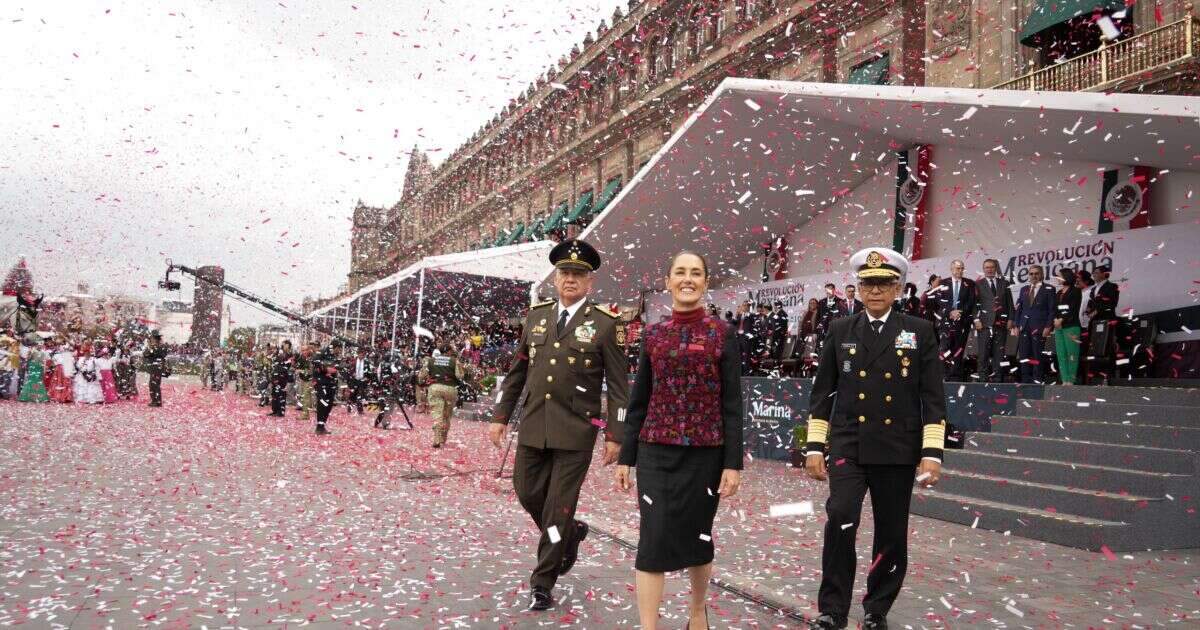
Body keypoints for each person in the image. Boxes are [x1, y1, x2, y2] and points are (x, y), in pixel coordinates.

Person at [803, 247, 947, 630]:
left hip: (898, 448)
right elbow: (823, 393)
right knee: (840, 516)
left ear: (898, 287)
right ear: (859, 288)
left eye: (884, 284)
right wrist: (816, 444)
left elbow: (933, 397)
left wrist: (932, 452)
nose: (876, 291)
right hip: (850, 443)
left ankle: (876, 609)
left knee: (891, 531)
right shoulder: (840, 330)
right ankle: (833, 609)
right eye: (869, 284)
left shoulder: (919, 331)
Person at [488, 239, 630, 611]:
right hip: (534, 425)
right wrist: (501, 415)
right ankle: (569, 537)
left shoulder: (605, 324)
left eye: (578, 275)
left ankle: (543, 580)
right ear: (555, 277)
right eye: (565, 273)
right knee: (526, 491)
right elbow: (518, 370)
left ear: (590, 282)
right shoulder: (537, 316)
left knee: (557, 510)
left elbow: (618, 387)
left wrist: (616, 436)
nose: (570, 279)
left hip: (576, 432)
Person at [615, 251, 743, 630]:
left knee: (698, 540)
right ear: (668, 281)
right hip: (656, 452)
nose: (688, 279)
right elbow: (639, 400)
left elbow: (733, 403)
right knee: (652, 539)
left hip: (707, 454)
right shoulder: (652, 335)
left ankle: (696, 614)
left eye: (696, 273)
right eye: (680, 273)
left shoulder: (724, 334)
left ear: (705, 282)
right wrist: (626, 458)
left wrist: (733, 463)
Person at [1010, 265, 1056, 384]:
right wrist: (1015, 325)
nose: (1034, 276)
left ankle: (1037, 380)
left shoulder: (1049, 289)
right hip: (1024, 327)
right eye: (1031, 274)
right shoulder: (1023, 289)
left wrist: (1048, 326)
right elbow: (1019, 309)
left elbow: (1052, 310)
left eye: (1036, 273)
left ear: (1042, 275)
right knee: (1024, 355)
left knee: (1037, 355)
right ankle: (1025, 380)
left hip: (1040, 328)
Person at [973, 258, 1014, 383]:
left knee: (999, 354)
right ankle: (983, 380)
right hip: (984, 324)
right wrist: (976, 320)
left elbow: (1010, 304)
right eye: (987, 267)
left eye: (992, 267)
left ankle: (998, 379)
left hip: (1001, 324)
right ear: (983, 269)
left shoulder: (1005, 283)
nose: (989, 269)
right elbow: (974, 305)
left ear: (995, 268)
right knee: (983, 354)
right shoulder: (978, 284)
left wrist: (1011, 319)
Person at [936, 260, 977, 381]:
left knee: (959, 349)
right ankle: (944, 375)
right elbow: (939, 300)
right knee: (944, 348)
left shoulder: (970, 283)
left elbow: (971, 301)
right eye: (957, 268)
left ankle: (955, 377)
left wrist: (959, 312)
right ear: (951, 268)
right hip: (946, 323)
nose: (960, 271)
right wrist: (950, 312)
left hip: (962, 322)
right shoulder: (943, 283)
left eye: (962, 268)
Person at [420, 344, 466, 448]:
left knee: (437, 413)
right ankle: (443, 438)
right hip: (450, 389)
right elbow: (460, 376)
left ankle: (437, 438)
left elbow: (421, 375)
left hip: (435, 388)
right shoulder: (454, 361)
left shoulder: (431, 360)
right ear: (449, 351)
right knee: (447, 415)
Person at [1084, 264, 1120, 384]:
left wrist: (1096, 311)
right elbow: (1091, 303)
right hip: (1094, 323)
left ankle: (1108, 377)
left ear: (1104, 274)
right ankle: (1094, 376)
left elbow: (1112, 304)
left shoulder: (1112, 286)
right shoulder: (1093, 289)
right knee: (1094, 348)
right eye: (1093, 273)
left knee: (1107, 348)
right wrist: (1088, 310)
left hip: (1107, 322)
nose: (1094, 275)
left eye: (1096, 272)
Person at [1053, 268, 1083, 385]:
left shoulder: (1075, 291)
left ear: (1066, 277)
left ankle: (1071, 380)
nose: (1057, 278)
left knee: (1072, 354)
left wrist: (1061, 319)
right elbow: (1055, 309)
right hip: (1058, 327)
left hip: (1071, 326)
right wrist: (1056, 319)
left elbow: (1073, 308)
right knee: (1061, 354)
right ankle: (1064, 379)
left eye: (1059, 276)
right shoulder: (1058, 293)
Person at [312, 341, 340, 435]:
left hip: (331, 383)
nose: (339, 351)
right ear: (335, 347)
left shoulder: (335, 357)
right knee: (323, 402)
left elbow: (337, 367)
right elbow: (314, 362)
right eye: (339, 349)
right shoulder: (322, 352)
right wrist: (325, 369)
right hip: (321, 382)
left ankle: (322, 425)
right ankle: (319, 426)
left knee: (329, 404)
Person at [814, 283, 847, 361]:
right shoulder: (821, 302)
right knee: (822, 354)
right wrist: (815, 332)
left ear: (834, 290)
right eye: (827, 290)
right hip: (822, 333)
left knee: (835, 353)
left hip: (836, 331)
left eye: (830, 289)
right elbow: (818, 317)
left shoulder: (840, 301)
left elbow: (843, 317)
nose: (828, 291)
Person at [17, 337, 49, 403]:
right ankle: (28, 397)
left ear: (42, 346)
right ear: (36, 345)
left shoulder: (43, 353)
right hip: (33, 368)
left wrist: (44, 369)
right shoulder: (32, 351)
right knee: (31, 381)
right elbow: (28, 359)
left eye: (41, 344)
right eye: (38, 344)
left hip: (39, 368)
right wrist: (29, 353)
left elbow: (43, 362)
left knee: (38, 381)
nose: (40, 346)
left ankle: (39, 397)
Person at [268, 340, 294, 417]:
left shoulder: (290, 355)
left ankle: (280, 411)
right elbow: (275, 363)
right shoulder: (280, 354)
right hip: (275, 376)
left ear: (289, 345)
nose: (283, 346)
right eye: (283, 345)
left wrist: (281, 371)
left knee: (281, 394)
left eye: (285, 345)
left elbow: (288, 366)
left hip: (283, 377)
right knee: (274, 394)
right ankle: (274, 410)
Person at [143, 331, 168, 407]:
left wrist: (153, 348)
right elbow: (145, 355)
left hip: (158, 368)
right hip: (153, 368)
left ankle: (157, 401)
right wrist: (150, 347)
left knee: (155, 384)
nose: (151, 339)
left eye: (152, 338)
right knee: (152, 385)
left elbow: (162, 354)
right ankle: (155, 400)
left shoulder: (161, 346)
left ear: (156, 338)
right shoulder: (151, 346)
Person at [296, 342, 316, 422]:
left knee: (306, 396)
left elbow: (310, 372)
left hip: (309, 380)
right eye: (302, 350)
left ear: (308, 350)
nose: (304, 352)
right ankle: (305, 413)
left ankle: (305, 414)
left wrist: (300, 371)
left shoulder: (311, 358)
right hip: (303, 379)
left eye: (305, 350)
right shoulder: (301, 358)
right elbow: (297, 367)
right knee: (303, 396)